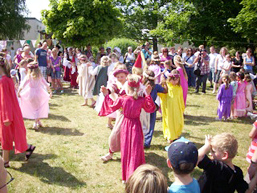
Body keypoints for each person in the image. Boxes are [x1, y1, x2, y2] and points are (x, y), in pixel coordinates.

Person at [100, 74, 155, 182]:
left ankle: (126, 177)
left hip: (125, 125)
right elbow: (150, 108)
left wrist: (106, 95)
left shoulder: (122, 99)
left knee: (126, 149)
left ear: (127, 87)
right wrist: (148, 95)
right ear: (139, 88)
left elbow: (111, 106)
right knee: (136, 148)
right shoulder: (141, 100)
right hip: (136, 125)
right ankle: (136, 173)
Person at [0, 56, 35, 168]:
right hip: (11, 111)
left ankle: (5, 161)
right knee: (12, 134)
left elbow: (6, 100)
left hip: (8, 112)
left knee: (6, 136)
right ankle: (28, 147)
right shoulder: (8, 79)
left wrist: (6, 117)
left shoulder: (4, 81)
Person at [99, 66, 129, 162]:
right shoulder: (116, 85)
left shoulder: (131, 84)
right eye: (118, 77)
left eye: (122, 76)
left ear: (126, 76)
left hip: (132, 113)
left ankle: (130, 152)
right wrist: (106, 91)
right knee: (116, 132)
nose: (120, 78)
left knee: (130, 134)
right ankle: (110, 152)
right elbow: (111, 89)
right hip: (122, 113)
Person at [18, 62, 52, 130]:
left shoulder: (29, 76)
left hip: (30, 93)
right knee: (38, 108)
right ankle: (35, 123)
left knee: (35, 107)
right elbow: (46, 84)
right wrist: (50, 92)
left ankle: (38, 121)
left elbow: (22, 85)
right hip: (39, 92)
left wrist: (19, 92)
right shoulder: (40, 76)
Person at [158, 70, 185, 143]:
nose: (175, 82)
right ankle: (170, 136)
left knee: (177, 121)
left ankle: (176, 134)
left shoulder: (179, 87)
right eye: (173, 80)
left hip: (177, 108)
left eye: (177, 80)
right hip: (168, 108)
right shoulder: (166, 86)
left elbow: (181, 98)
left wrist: (182, 107)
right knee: (169, 121)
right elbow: (161, 94)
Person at [143, 70, 167, 148]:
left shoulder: (142, 85)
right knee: (150, 125)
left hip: (143, 108)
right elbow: (165, 91)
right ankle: (147, 142)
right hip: (152, 107)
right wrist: (164, 83)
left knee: (142, 124)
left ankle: (140, 140)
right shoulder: (156, 86)